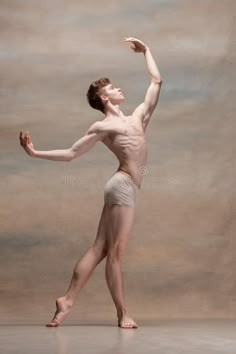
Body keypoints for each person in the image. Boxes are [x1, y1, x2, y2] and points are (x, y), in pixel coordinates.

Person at [19, 37, 162, 329]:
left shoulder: (138, 117)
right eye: (111, 88)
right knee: (116, 254)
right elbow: (72, 153)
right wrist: (35, 153)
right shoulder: (104, 125)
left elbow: (156, 81)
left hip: (119, 185)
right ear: (105, 99)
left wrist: (146, 51)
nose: (118, 88)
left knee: (100, 248)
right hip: (122, 186)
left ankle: (67, 300)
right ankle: (123, 313)